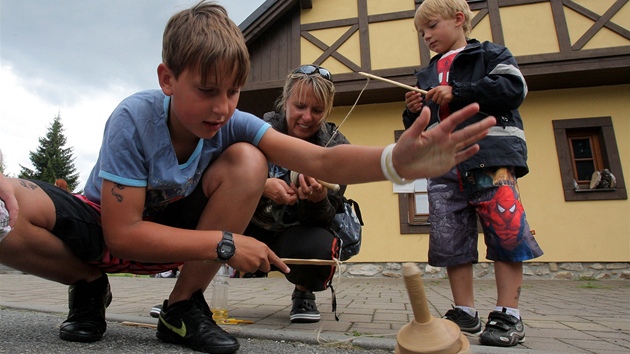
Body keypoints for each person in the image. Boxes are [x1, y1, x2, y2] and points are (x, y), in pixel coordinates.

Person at [0, 1, 495, 353]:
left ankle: (182, 309)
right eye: (207, 90)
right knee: (3, 214)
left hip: (176, 236)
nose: (222, 107)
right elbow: (121, 232)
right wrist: (224, 245)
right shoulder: (133, 118)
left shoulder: (234, 123)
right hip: (107, 227)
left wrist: (396, 162)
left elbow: (318, 160)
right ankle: (88, 286)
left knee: (249, 160)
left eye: (234, 91)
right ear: (167, 78)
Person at [402, 0, 543, 348]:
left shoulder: (491, 55)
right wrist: (413, 113)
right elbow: (422, 127)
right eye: (421, 32)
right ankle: (465, 310)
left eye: (432, 26)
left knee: (505, 231)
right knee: (450, 237)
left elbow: (512, 90)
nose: (426, 36)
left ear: (459, 19)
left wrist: (459, 91)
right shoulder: (427, 73)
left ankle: (508, 312)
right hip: (443, 163)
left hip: (489, 158)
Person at [244, 64, 348, 323]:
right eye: (300, 106)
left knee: (319, 246)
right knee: (206, 221)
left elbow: (326, 219)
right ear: (285, 101)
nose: (307, 117)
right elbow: (225, 177)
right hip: (250, 223)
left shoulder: (335, 146)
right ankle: (190, 293)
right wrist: (262, 185)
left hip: (295, 231)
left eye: (317, 110)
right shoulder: (257, 129)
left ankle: (304, 293)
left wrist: (318, 199)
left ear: (327, 110)